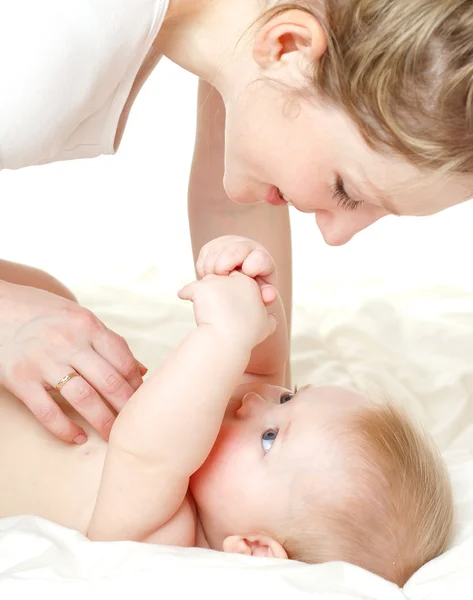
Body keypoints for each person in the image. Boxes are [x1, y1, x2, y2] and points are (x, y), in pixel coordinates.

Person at [1, 0, 472, 442]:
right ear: (289, 46)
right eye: (345, 191)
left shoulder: (249, 35)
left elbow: (235, 204)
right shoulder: (34, 53)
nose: (335, 235)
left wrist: (263, 390)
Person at [0, 235, 453, 587]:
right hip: (27, 368)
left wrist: (223, 334)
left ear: (254, 549)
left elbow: (143, 448)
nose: (256, 400)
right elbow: (260, 366)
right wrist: (250, 284)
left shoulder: (165, 537)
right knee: (54, 297)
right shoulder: (229, 448)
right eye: (289, 396)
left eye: (271, 438)